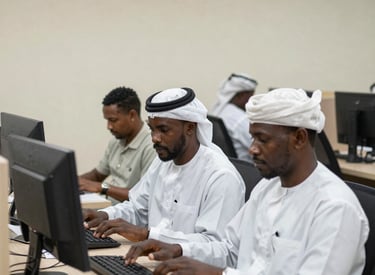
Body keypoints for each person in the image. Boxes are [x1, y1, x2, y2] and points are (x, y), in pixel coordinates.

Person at [125, 88, 369, 275]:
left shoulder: (335, 208)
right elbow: (230, 249)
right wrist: (179, 249)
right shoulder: (267, 188)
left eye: (262, 139)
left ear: (299, 138)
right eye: (252, 138)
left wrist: (216, 273)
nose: (251, 149)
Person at [83, 87, 245, 244]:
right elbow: (138, 208)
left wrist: (147, 235)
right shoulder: (163, 162)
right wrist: (104, 215)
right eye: (152, 129)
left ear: (189, 128)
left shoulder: (220, 176)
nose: (155, 138)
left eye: (163, 130)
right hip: (155, 257)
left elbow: (215, 244)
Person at [79, 86, 156, 204]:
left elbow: (145, 196)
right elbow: (97, 175)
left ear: (132, 115)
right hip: (107, 208)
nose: (108, 126)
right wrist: (72, 182)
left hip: (128, 216)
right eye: (107, 120)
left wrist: (102, 187)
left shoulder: (151, 145)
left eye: (113, 120)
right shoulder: (116, 140)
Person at [211, 73, 257, 162]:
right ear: (241, 95)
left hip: (227, 164)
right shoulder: (240, 119)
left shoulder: (218, 110)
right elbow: (258, 146)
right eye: (251, 96)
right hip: (248, 169)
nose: (252, 100)